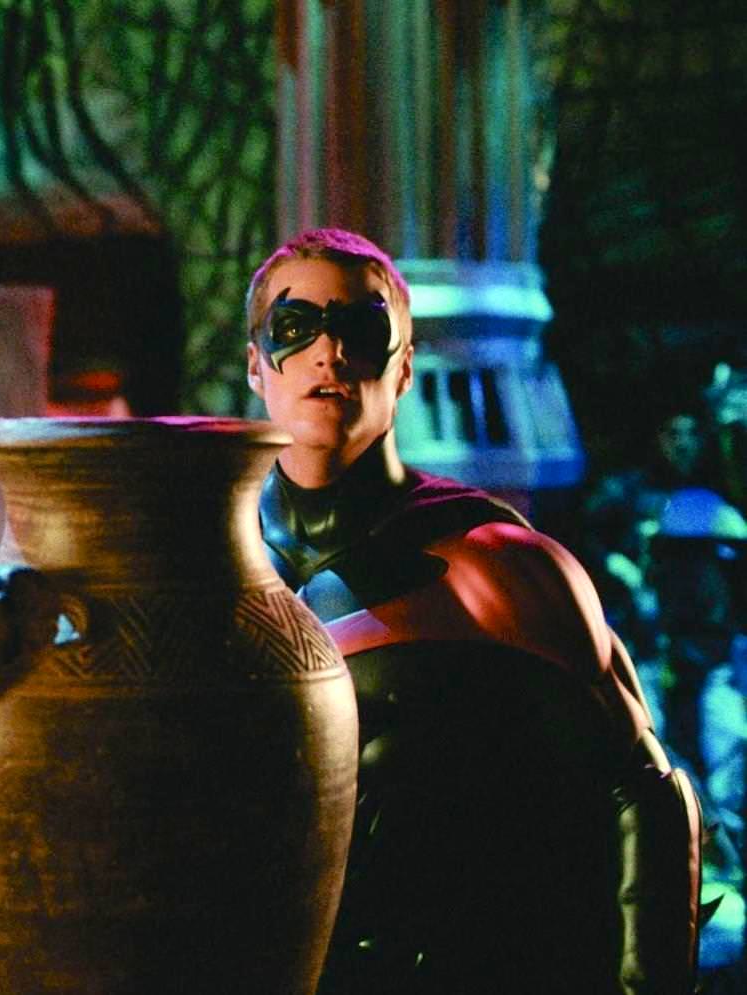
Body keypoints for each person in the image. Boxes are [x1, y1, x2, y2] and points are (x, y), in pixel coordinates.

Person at [244, 228, 702, 993]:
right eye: (295, 327)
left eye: (361, 327)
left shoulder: (496, 564)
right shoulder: (205, 560)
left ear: (404, 366)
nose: (329, 352)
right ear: (256, 363)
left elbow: (645, 795)